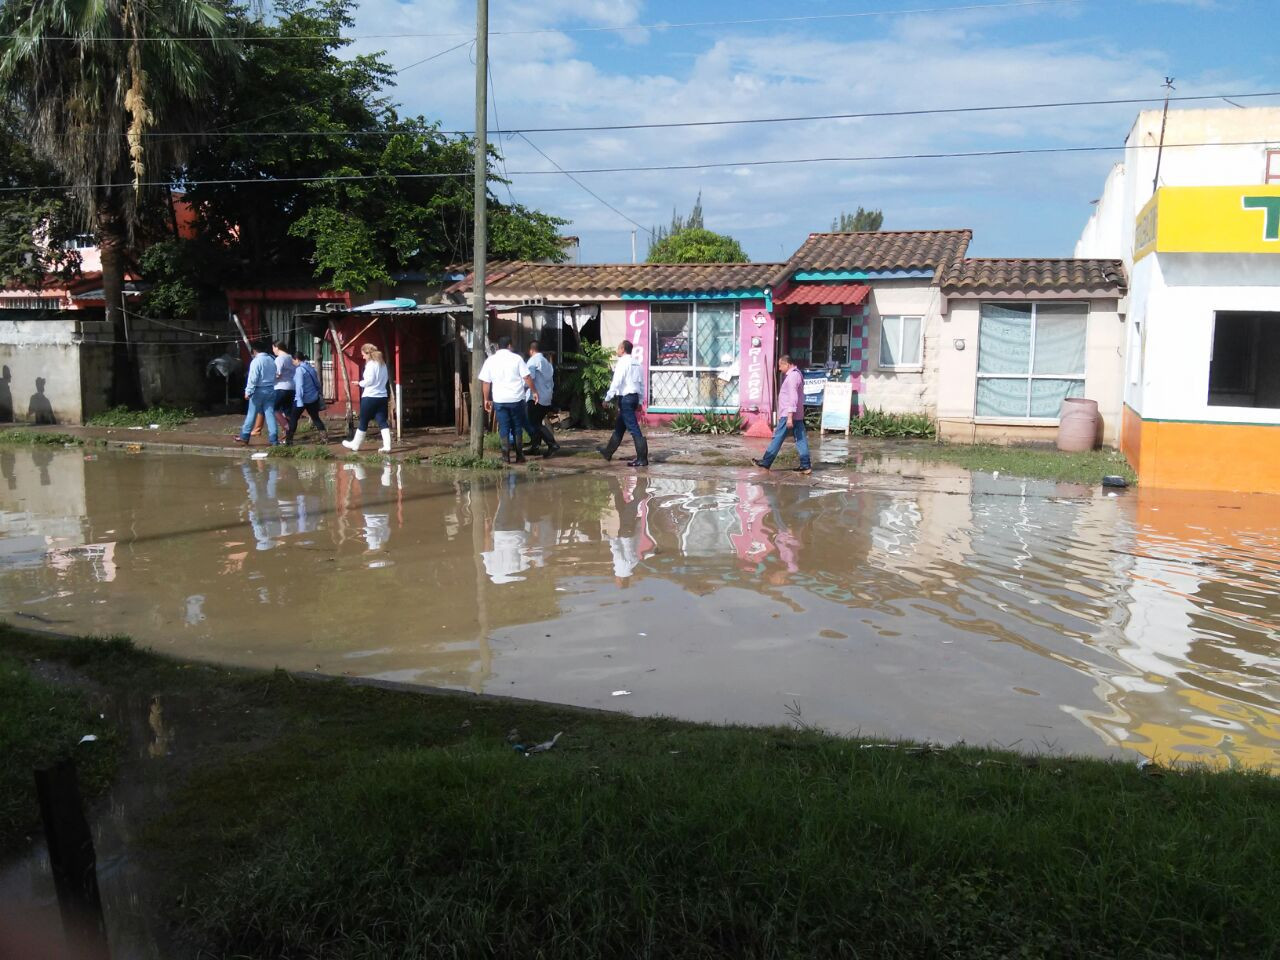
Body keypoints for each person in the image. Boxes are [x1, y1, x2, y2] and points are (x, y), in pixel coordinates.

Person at [479, 335, 538, 463]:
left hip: (500, 400)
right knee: (517, 427)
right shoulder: (517, 359)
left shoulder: (490, 360)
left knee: (504, 427)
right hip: (516, 399)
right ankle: (519, 456)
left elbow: (486, 382)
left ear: (498, 347)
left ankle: (505, 456)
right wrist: (534, 391)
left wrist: (486, 399)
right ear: (510, 345)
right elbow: (527, 377)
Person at [753, 354, 812, 475]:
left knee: (778, 437)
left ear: (787, 364)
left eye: (780, 365)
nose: (779, 368)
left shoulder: (792, 376)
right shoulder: (796, 374)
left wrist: (789, 416)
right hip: (795, 413)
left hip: (789, 414)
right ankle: (805, 465)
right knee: (800, 439)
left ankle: (766, 462)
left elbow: (793, 397)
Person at [597, 339, 648, 467]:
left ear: (623, 349)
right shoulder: (637, 363)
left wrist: (607, 398)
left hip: (626, 399)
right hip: (634, 398)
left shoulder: (622, 363)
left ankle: (642, 458)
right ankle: (608, 452)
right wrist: (640, 401)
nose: (617, 350)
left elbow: (616, 382)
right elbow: (642, 385)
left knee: (634, 428)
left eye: (619, 348)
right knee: (619, 427)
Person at [342, 343, 392, 453]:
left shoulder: (370, 365)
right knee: (382, 421)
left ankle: (355, 445)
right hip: (382, 397)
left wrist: (359, 383)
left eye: (363, 355)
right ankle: (387, 446)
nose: (363, 357)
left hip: (370, 397)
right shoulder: (382, 364)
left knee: (363, 421)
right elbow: (385, 379)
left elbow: (369, 380)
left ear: (368, 353)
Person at [235, 340, 279, 446]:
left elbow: (253, 378)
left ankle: (245, 436)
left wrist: (248, 391)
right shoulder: (272, 359)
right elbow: (276, 374)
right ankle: (274, 439)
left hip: (258, 390)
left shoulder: (256, 361)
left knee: (252, 414)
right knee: (270, 414)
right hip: (271, 389)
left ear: (254, 350)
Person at [524, 339, 560, 457]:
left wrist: (521, 387)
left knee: (533, 422)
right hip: (546, 397)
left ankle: (552, 444)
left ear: (531, 350)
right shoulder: (547, 363)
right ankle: (535, 447)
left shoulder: (533, 361)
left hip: (536, 397)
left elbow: (530, 378)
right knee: (537, 421)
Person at [286, 351, 328, 445]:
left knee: (293, 418)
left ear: (297, 359)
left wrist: (299, 400)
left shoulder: (299, 370)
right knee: (315, 418)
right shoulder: (310, 368)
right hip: (313, 398)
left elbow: (299, 387)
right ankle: (324, 438)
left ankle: (289, 440)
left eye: (293, 360)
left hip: (302, 399)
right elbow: (317, 383)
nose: (293, 362)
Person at [271, 340, 295, 430]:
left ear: (277, 347)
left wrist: (270, 378)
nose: (273, 350)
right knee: (288, 411)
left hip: (281, 387)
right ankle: (289, 433)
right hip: (292, 387)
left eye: (273, 348)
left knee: (274, 408)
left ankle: (287, 428)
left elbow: (278, 374)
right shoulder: (291, 357)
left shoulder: (280, 359)